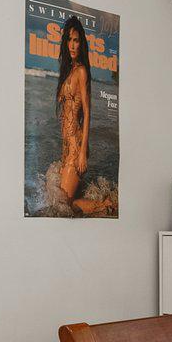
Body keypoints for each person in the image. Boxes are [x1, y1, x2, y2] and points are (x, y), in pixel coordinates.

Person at [46, 16, 115, 216]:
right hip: (67, 146)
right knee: (57, 199)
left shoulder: (82, 71)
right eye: (69, 40)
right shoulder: (68, 71)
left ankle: (106, 205)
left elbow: (87, 112)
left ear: (81, 43)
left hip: (77, 146)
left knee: (64, 206)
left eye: (76, 40)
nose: (72, 45)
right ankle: (101, 203)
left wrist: (83, 151)